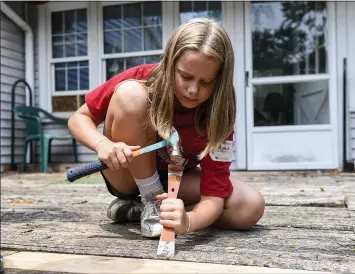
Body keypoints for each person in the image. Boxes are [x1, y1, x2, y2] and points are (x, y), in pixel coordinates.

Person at [68, 18, 265, 238]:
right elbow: (79, 118)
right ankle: (150, 201)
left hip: (176, 178)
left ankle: (148, 211)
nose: (192, 90)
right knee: (130, 94)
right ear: (170, 62)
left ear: (220, 79)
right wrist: (102, 144)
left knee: (249, 207)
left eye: (206, 82)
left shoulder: (220, 114)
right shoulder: (143, 78)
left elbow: (213, 197)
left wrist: (188, 221)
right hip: (126, 175)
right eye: (185, 76)